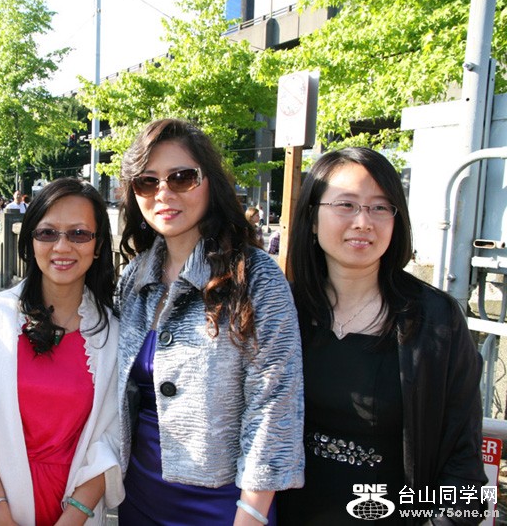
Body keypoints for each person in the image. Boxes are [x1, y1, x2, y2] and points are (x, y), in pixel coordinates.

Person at [276, 147, 487, 524]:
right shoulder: (281, 311)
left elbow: (464, 460)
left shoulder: (435, 320)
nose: (363, 222)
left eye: (379, 207)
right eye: (346, 205)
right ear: (312, 218)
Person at [115, 118, 304, 525]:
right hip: (138, 493)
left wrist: (251, 511)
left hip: (225, 502)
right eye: (147, 182)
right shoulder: (134, 277)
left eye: (181, 177)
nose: (164, 193)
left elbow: (274, 403)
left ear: (210, 182)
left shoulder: (255, 276)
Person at [0, 177, 123, 526]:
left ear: (98, 245)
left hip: (76, 509)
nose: (62, 246)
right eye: (47, 233)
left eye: (79, 234)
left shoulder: (111, 334)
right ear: (31, 241)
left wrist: (74, 517)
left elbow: (111, 438)